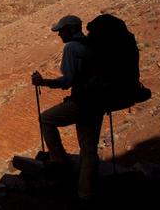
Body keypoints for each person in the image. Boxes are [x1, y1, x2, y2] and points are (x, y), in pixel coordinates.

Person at [31, 15, 103, 201]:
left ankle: (58, 159)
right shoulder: (92, 46)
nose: (59, 34)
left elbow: (68, 80)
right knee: (89, 149)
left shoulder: (72, 47)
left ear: (72, 29)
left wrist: (43, 82)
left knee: (46, 118)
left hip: (82, 102)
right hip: (98, 103)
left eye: (61, 30)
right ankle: (86, 193)